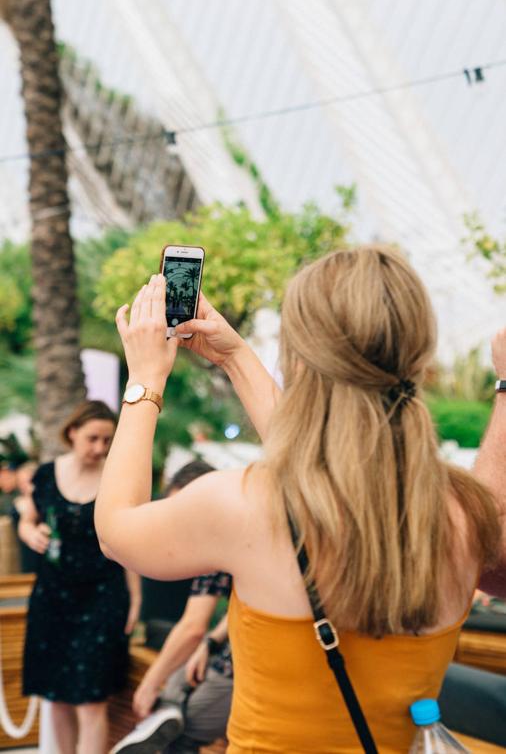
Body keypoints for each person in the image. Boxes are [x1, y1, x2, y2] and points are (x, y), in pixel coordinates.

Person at [96, 249, 506, 753]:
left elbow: (117, 530)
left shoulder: (246, 504)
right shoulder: (465, 514)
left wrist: (145, 379)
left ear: (295, 356)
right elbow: (327, 463)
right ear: (419, 356)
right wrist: (233, 355)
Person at [19, 400, 141, 754]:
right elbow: (28, 519)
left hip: (103, 597)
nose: (99, 448)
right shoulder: (44, 475)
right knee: (55, 697)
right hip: (52, 597)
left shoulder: (118, 478)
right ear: (72, 433)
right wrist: (29, 532)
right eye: (92, 438)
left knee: (92, 699)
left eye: (107, 440)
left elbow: (130, 542)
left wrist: (135, 600)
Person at [112, 461, 233, 754]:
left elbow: (193, 626)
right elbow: (249, 602)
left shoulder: (220, 536)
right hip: (237, 646)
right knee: (180, 681)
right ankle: (166, 712)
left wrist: (150, 682)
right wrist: (212, 642)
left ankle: (165, 718)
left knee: (180, 734)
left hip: (253, 663)